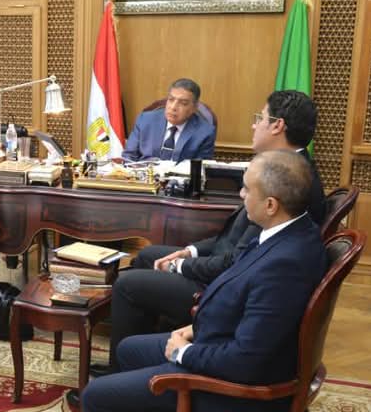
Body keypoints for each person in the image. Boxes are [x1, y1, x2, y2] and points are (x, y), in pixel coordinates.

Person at [80, 149, 328, 412]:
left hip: (238, 392)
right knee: (129, 350)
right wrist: (194, 329)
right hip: (218, 344)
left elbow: (246, 361)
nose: (241, 196)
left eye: (247, 190)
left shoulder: (285, 264)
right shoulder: (289, 233)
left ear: (271, 204)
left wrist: (184, 354)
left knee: (96, 397)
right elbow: (245, 303)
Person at [90, 90, 326, 380]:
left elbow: (238, 259)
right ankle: (142, 359)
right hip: (229, 271)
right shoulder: (282, 169)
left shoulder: (288, 183)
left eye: (260, 118)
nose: (254, 125)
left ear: (277, 125)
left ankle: (124, 370)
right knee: (149, 256)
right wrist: (190, 252)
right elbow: (232, 240)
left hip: (228, 288)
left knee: (128, 283)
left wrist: (180, 266)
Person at [121, 78, 216, 162]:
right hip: (144, 174)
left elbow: (199, 169)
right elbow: (129, 157)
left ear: (194, 107)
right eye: (171, 99)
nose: (173, 107)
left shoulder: (205, 132)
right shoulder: (145, 120)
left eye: (183, 103)